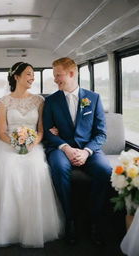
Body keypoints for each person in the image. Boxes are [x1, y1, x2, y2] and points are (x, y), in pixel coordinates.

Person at [0, 62, 63, 248]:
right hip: (8, 144)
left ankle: (34, 228)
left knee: (36, 167)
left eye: (33, 74)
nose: (32, 77)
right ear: (16, 77)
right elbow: (1, 131)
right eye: (28, 74)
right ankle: (8, 228)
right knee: (7, 168)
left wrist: (32, 142)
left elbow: (41, 130)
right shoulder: (4, 101)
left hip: (33, 144)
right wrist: (16, 143)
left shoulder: (39, 101)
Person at [43, 57, 112, 245]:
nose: (55, 79)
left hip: (88, 148)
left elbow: (101, 134)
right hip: (61, 148)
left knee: (105, 170)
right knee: (58, 168)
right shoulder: (50, 101)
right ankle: (69, 218)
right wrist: (65, 147)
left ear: (72, 74)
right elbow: (48, 133)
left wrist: (87, 151)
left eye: (58, 75)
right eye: (54, 76)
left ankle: (94, 217)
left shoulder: (94, 98)